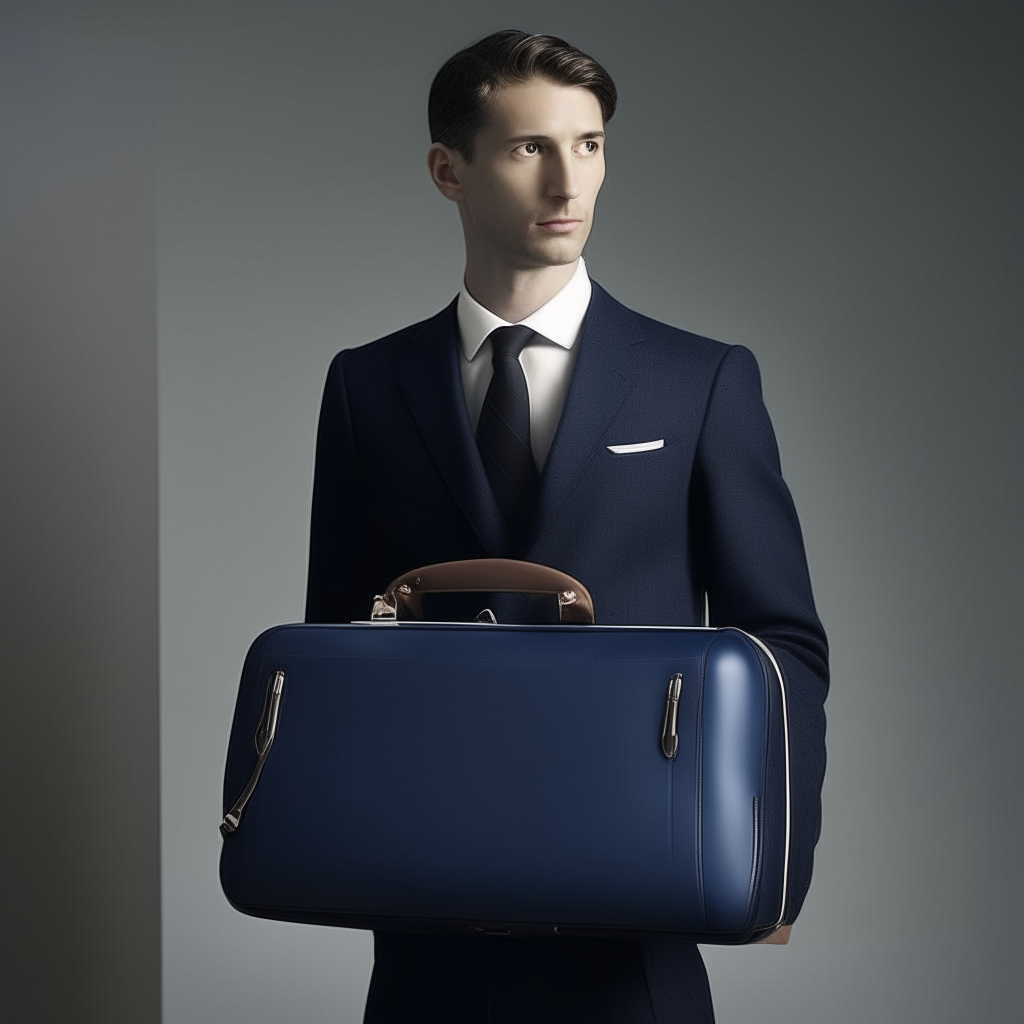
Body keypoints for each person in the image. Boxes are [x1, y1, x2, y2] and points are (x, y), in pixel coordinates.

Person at [305, 29, 828, 1024]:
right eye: (528, 147)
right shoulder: (365, 387)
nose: (567, 180)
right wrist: (345, 856)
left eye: (588, 145)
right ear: (446, 171)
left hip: (630, 911)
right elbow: (336, 654)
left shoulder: (701, 380)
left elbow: (782, 642)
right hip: (429, 916)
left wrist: (771, 861)